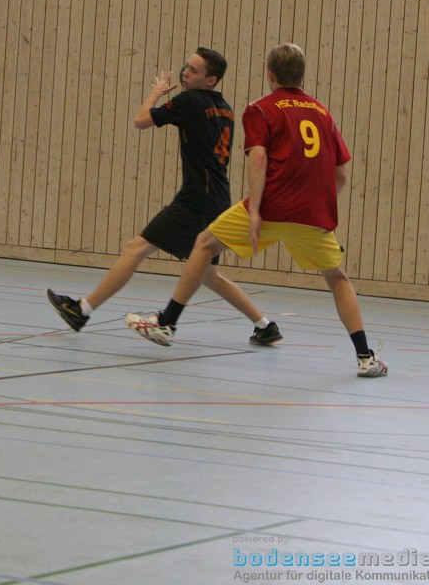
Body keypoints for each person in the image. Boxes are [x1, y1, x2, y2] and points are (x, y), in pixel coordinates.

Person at [125, 43, 387, 377]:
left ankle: (167, 323)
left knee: (204, 244)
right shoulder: (323, 113)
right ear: (301, 75)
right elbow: (341, 176)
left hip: (272, 206)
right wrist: (320, 212)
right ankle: (365, 357)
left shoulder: (261, 109)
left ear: (270, 75)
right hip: (313, 214)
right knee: (337, 278)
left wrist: (255, 210)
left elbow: (259, 157)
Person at [46, 47, 281, 346]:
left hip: (196, 200)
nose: (186, 73)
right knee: (209, 275)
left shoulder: (189, 100)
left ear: (210, 80)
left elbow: (141, 120)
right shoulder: (224, 106)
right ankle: (264, 325)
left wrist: (156, 93)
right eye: (187, 66)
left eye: (194, 71)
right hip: (217, 198)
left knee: (135, 248)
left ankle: (81, 310)